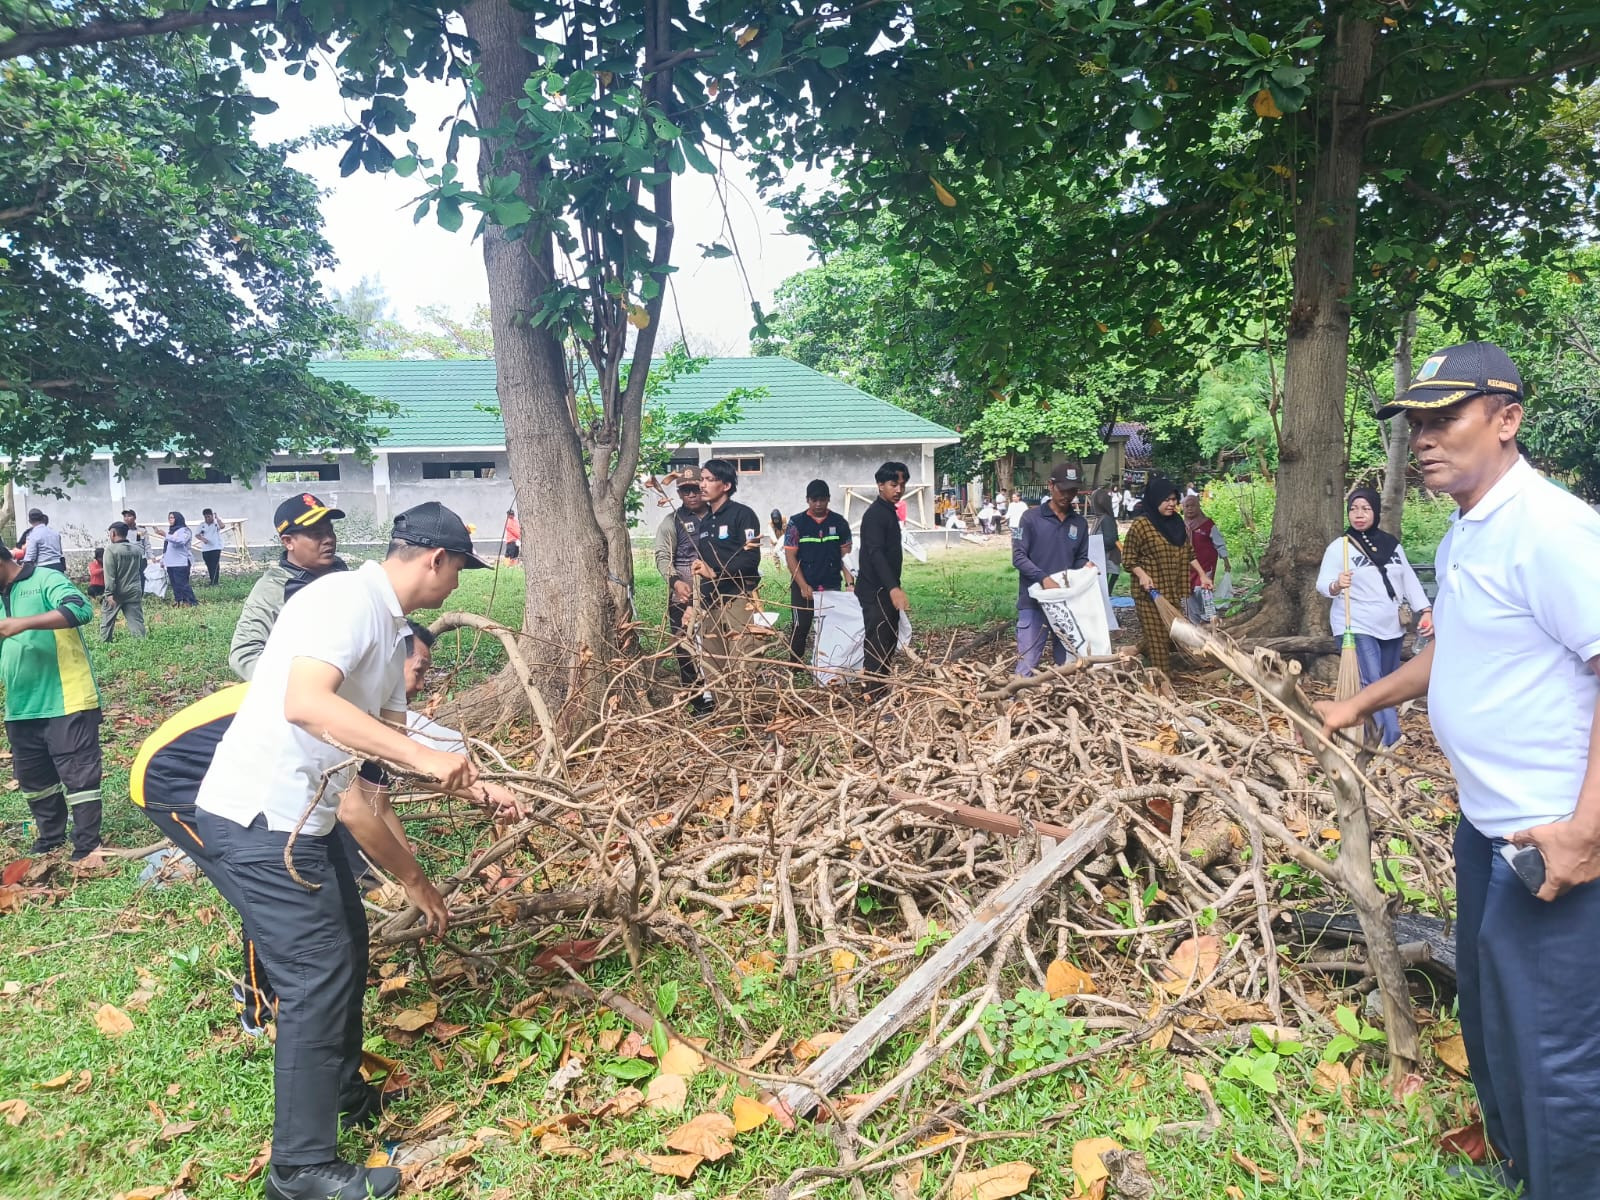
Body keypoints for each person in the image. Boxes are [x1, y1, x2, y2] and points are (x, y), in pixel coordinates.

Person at [1316, 342, 1600, 1200]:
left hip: (1549, 830)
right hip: (1484, 821)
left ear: (1508, 420)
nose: (1426, 439)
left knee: (1555, 1037)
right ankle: (1516, 1160)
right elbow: (1452, 650)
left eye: (1448, 417)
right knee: (1489, 1006)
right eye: (1417, 423)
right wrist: (1358, 704)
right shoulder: (1470, 528)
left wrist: (1586, 831)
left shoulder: (1553, 530)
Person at [194, 502, 490, 1200]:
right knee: (315, 974)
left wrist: (474, 792)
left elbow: (378, 755)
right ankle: (299, 1171)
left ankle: (342, 1095)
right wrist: (421, 755)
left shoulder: (387, 635)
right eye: (457, 574)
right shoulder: (344, 600)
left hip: (308, 819)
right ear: (433, 560)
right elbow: (306, 703)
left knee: (348, 948)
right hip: (260, 815)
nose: (455, 588)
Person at [131, 621, 513, 1039]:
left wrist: (413, 875)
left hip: (250, 782)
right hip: (171, 775)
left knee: (283, 882)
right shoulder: (344, 706)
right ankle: (259, 1005)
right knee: (264, 892)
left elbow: (378, 802)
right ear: (389, 662)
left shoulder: (371, 709)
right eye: (419, 669)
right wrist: (414, 880)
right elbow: (356, 809)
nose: (421, 684)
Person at [0, 552, 102, 859]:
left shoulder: (45, 579)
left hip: (67, 698)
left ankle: (86, 844)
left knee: (79, 778)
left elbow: (80, 609)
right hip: (20, 704)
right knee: (35, 780)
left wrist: (23, 624)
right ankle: (50, 837)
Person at [1315, 487, 1432, 746]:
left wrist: (1425, 610)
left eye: (1365, 509)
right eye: (1354, 509)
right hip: (1357, 623)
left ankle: (1371, 736)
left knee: (1389, 683)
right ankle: (1391, 738)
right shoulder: (1340, 547)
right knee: (1373, 680)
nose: (1359, 514)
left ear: (1375, 511)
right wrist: (1337, 584)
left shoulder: (1391, 545)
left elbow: (1408, 578)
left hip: (1391, 623)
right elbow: (1322, 585)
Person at [231, 494, 348, 680]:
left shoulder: (342, 574)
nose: (328, 539)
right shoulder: (273, 589)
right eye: (317, 534)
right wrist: (299, 686)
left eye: (330, 531)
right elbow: (244, 654)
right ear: (288, 542)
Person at [1123, 476, 1212, 676]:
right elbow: (1128, 559)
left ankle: (1134, 651)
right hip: (1149, 595)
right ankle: (1161, 681)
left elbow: (1188, 553)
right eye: (1166, 500)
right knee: (1157, 640)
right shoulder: (1141, 526)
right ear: (1155, 500)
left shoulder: (1177, 524)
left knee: (1168, 634)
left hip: (1171, 590)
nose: (1171, 504)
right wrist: (1142, 575)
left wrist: (1202, 575)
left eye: (1174, 499)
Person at [1011, 464, 1092, 676]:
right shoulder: (1030, 518)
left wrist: (1087, 567)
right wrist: (1043, 578)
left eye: (1072, 491)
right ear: (1050, 486)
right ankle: (1014, 702)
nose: (1067, 496)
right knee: (1027, 661)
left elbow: (1079, 559)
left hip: (1066, 606)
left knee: (1067, 663)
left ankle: (1061, 704)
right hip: (1033, 603)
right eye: (1062, 490)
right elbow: (1018, 557)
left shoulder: (1080, 523)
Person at [690, 459, 763, 688]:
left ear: (726, 485)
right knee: (715, 668)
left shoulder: (742, 515)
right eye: (702, 479)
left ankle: (746, 721)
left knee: (743, 663)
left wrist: (717, 572)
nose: (703, 485)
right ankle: (725, 719)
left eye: (709, 480)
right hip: (710, 604)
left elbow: (751, 559)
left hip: (737, 599)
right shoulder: (705, 522)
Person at [783, 480, 854, 666]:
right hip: (804, 585)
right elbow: (790, 556)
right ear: (807, 500)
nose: (818, 504)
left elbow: (846, 555)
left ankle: (829, 664)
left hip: (831, 584)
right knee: (801, 626)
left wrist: (849, 583)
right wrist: (802, 584)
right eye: (814, 500)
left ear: (828, 499)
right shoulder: (796, 523)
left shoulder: (839, 523)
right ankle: (795, 666)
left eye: (822, 500)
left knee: (831, 626)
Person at [653, 476, 710, 699]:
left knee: (714, 645)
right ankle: (697, 700)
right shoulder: (672, 521)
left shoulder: (719, 517)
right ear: (679, 494)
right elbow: (662, 555)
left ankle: (719, 695)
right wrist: (675, 582)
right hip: (682, 597)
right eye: (686, 491)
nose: (692, 495)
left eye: (695, 489)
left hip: (714, 595)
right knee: (684, 647)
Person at [857, 463, 909, 700]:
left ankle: (881, 689)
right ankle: (874, 696)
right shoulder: (875, 515)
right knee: (878, 641)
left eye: (902, 484)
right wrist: (893, 588)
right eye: (893, 484)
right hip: (875, 590)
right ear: (880, 485)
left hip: (885, 589)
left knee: (888, 640)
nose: (898, 489)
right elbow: (875, 553)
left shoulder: (888, 511)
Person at [1182, 494, 1230, 623]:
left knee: (1202, 590)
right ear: (1183, 508)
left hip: (1206, 565)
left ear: (1198, 507)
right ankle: (1194, 622)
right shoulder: (1180, 525)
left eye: (1193, 506)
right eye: (1187, 506)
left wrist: (1225, 560)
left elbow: (1219, 542)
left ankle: (1209, 617)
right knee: (1188, 592)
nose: (1190, 509)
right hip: (1187, 567)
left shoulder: (1207, 524)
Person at [101, 522, 146, 641]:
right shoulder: (136, 550)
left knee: (107, 620)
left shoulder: (111, 550)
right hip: (134, 589)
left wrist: (109, 593)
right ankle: (142, 644)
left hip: (116, 593)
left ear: (113, 533)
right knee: (136, 620)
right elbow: (139, 570)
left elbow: (109, 575)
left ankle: (105, 643)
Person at [1088, 487, 1123, 593]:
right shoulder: (1099, 518)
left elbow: (1110, 540)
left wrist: (1097, 546)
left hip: (1107, 557)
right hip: (1101, 556)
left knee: (1106, 586)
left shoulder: (1106, 519)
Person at [162, 512, 197, 606]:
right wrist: (163, 559)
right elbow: (166, 548)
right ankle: (179, 600)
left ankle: (191, 601)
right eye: (169, 518)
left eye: (172, 518)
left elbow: (181, 541)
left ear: (178, 519)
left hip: (181, 562)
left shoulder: (185, 530)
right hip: (171, 562)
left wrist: (165, 535)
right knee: (174, 584)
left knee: (182, 584)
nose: (170, 520)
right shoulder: (171, 531)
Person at [195, 508, 225, 585]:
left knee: (214, 565)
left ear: (212, 515)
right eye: (206, 517)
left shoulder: (216, 523)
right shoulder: (202, 525)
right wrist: (202, 539)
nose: (207, 519)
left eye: (209, 516)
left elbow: (222, 526)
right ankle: (212, 580)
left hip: (215, 547)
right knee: (209, 565)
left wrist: (217, 518)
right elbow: (197, 535)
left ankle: (215, 582)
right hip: (205, 549)